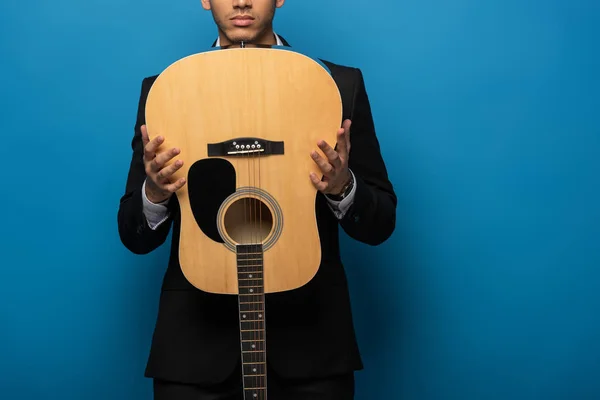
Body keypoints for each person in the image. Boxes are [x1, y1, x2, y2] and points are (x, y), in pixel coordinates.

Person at [117, 0, 397, 398]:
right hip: (194, 354)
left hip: (313, 351)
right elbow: (134, 235)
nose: (242, 1)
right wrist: (156, 193)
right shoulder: (166, 90)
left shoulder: (338, 85)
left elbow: (380, 224)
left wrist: (341, 186)